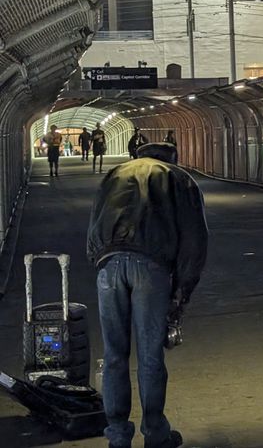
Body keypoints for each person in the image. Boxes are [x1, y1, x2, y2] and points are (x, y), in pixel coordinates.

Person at [86, 142, 207, 448]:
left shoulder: (115, 174)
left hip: (108, 265)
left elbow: (94, 222)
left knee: (114, 354)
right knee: (150, 355)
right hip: (150, 267)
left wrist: (99, 261)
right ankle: (155, 434)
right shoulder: (179, 178)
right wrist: (181, 294)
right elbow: (194, 240)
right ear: (172, 158)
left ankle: (117, 436)